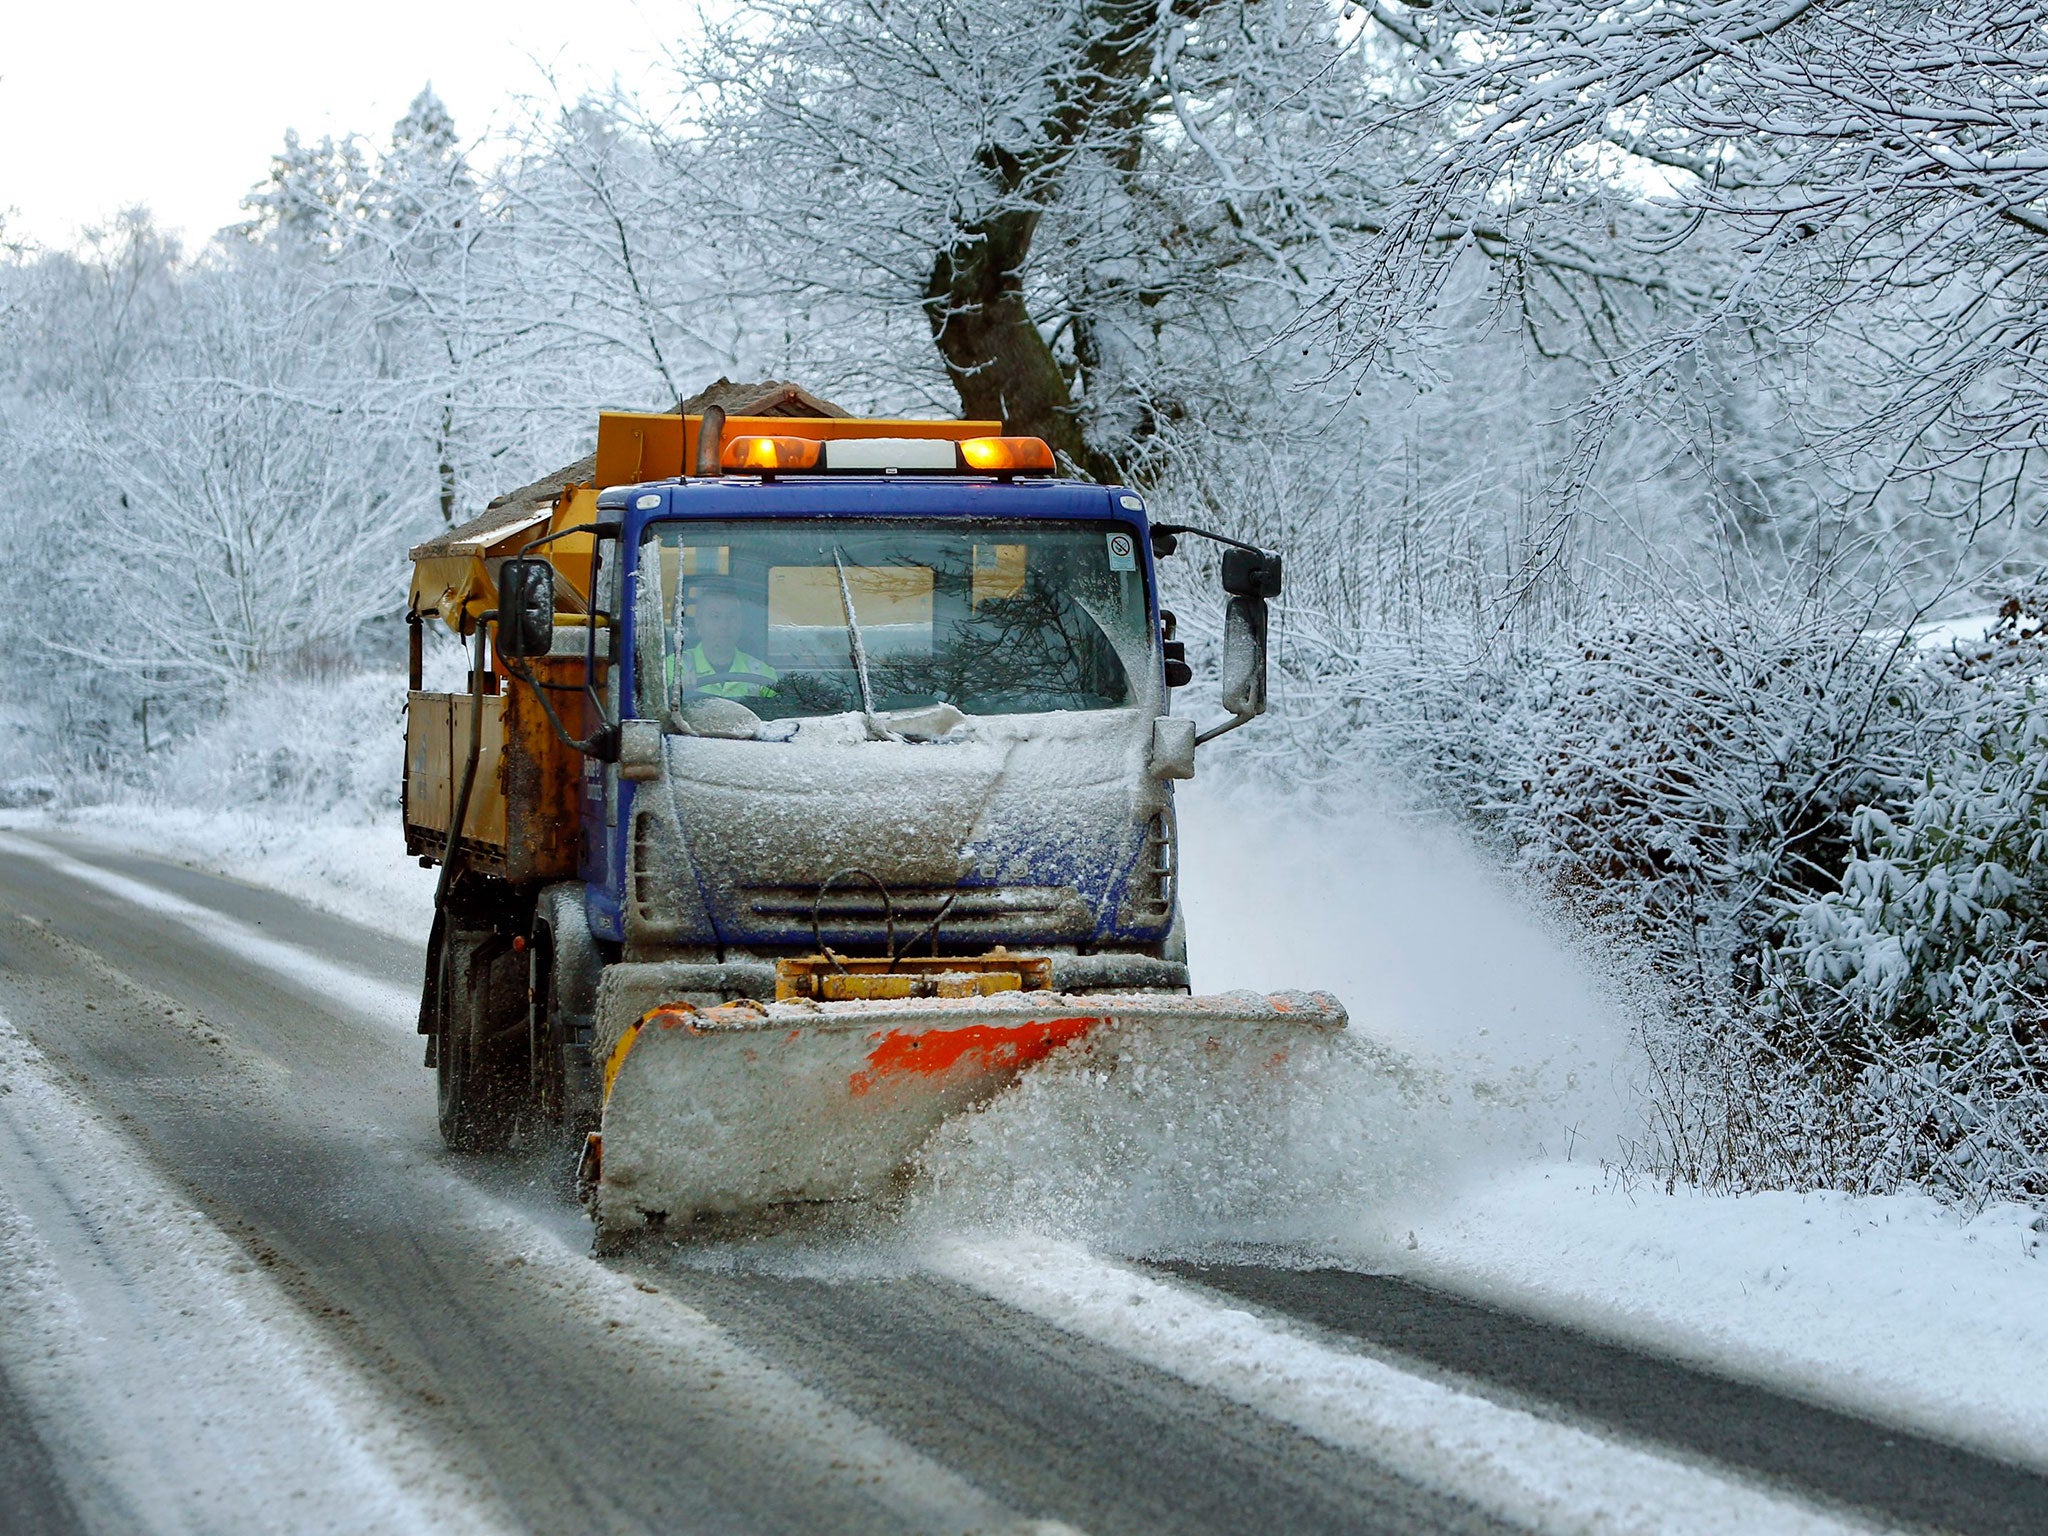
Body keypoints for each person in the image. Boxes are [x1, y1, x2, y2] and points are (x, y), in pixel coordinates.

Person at [672, 582, 778, 699]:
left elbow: (781, 713)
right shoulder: (673, 669)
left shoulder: (763, 674)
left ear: (740, 623)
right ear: (698, 624)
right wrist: (678, 693)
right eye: (715, 617)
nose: (724, 625)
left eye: (731, 617)